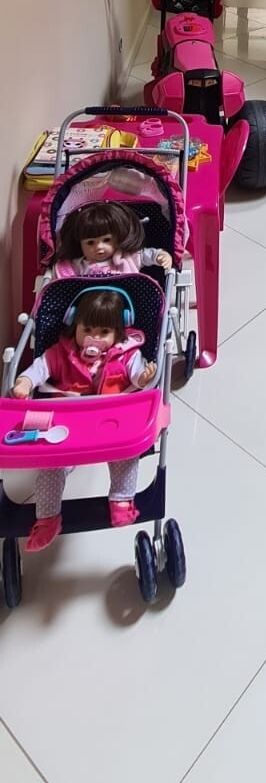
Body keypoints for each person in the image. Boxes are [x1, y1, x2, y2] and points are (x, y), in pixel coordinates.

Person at [12, 286, 157, 552]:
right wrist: (25, 381)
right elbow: (40, 367)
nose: (94, 338)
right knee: (51, 464)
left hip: (112, 418)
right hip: (68, 421)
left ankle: (121, 499)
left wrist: (143, 377)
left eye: (104, 332)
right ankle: (47, 519)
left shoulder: (127, 354)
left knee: (126, 454)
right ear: (74, 324)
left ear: (118, 333)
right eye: (87, 329)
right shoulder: (62, 353)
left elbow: (136, 375)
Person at [50, 200, 172, 278]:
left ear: (118, 239)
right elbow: (64, 275)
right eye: (90, 243)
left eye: (106, 240)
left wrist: (161, 256)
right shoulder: (79, 265)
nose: (99, 247)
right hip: (90, 306)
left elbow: (147, 255)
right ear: (80, 244)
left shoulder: (127, 258)